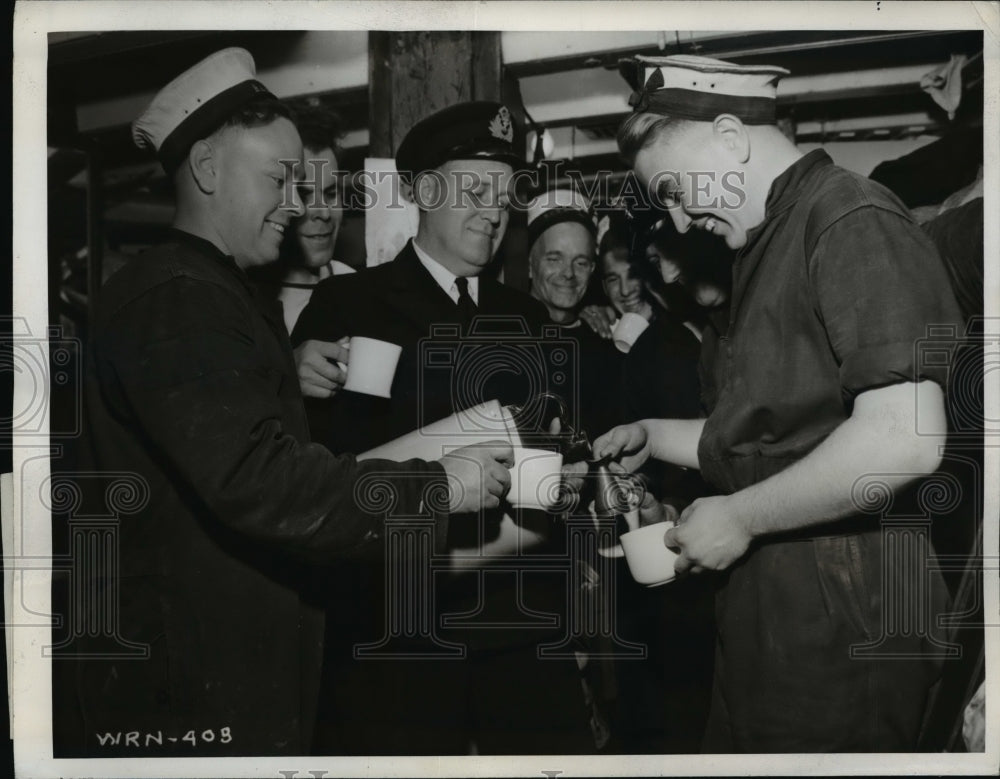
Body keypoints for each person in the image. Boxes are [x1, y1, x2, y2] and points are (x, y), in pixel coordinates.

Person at [53, 49, 512, 758]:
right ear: (207, 169)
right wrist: (440, 484)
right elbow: (262, 481)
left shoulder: (216, 290)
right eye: (281, 178)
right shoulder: (180, 298)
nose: (299, 203)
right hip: (186, 681)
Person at [595, 53, 962, 752]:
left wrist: (739, 514)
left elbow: (905, 437)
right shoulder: (770, 244)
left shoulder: (848, 218)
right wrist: (652, 432)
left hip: (849, 623)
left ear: (731, 137)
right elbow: (778, 432)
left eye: (674, 188)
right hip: (783, 617)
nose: (675, 216)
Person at [292, 102, 593, 755]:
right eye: (475, 190)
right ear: (425, 192)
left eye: (505, 193)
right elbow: (305, 477)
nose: (495, 210)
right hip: (401, 630)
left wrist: (573, 477)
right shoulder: (347, 306)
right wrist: (291, 382)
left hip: (521, 622)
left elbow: (563, 445)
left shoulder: (531, 319)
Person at [525, 188, 622, 439]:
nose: (568, 273)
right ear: (529, 265)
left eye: (580, 262)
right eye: (554, 259)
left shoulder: (605, 342)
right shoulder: (506, 337)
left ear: (592, 270)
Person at [254, 103, 355, 335]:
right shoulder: (250, 301)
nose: (325, 213)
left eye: (331, 194)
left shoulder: (358, 287)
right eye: (304, 194)